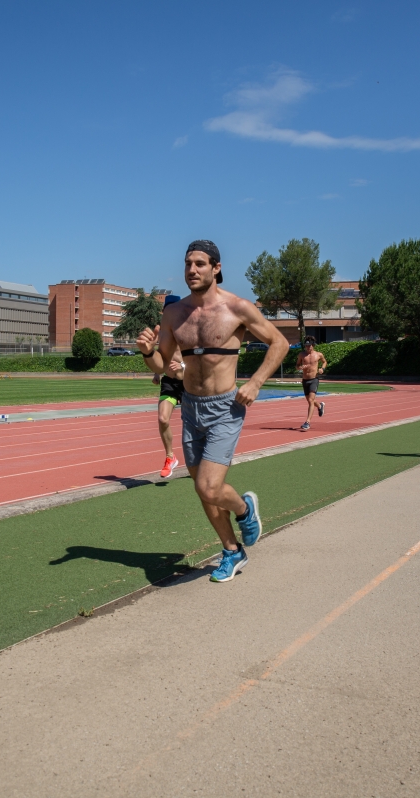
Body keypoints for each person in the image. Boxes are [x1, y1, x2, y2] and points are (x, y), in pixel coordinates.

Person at [137, 240, 288, 583]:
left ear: (216, 268)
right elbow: (161, 363)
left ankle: (244, 509)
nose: (192, 270)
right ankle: (232, 551)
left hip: (225, 408)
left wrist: (256, 383)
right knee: (202, 489)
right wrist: (147, 352)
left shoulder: (237, 307)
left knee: (208, 486)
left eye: (200, 264)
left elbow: (279, 342)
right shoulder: (174, 314)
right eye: (188, 263)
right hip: (190, 407)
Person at [156, 293, 186, 478]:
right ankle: (170, 457)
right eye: (168, 310)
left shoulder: (188, 330)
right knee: (162, 419)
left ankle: (202, 457)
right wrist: (157, 372)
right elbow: (161, 355)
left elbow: (199, 358)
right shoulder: (162, 332)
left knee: (197, 424)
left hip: (188, 381)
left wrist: (182, 365)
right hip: (169, 382)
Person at [296, 336, 326, 431]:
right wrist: (299, 367)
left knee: (310, 400)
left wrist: (322, 369)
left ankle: (307, 422)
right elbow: (297, 365)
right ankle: (320, 406)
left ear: (313, 345)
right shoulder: (301, 355)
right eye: (306, 346)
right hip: (305, 380)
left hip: (314, 379)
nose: (307, 347)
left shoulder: (318, 355)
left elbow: (324, 362)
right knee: (310, 400)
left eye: (309, 346)